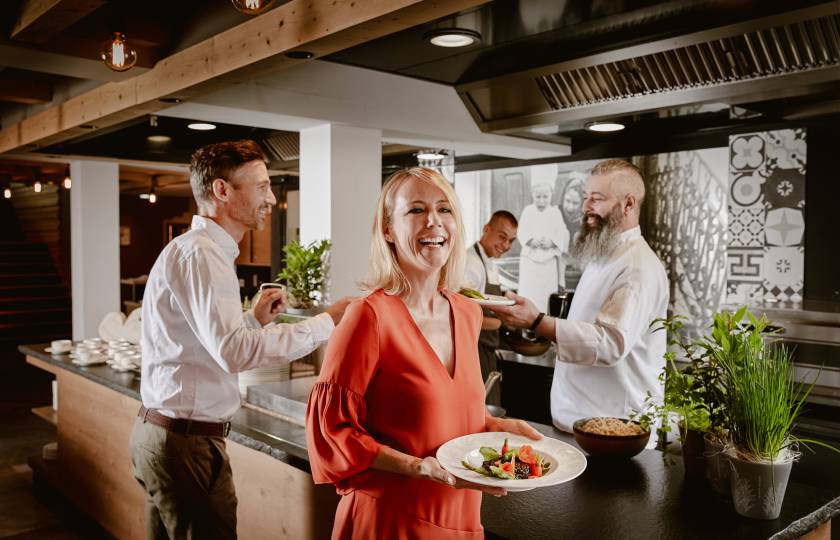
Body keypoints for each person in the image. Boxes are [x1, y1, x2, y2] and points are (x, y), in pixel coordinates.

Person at [130, 140, 353, 540]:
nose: (270, 197)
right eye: (262, 186)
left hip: (168, 436)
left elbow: (204, 345)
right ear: (222, 191)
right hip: (185, 444)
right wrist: (328, 321)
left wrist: (252, 319)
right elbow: (233, 353)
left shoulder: (195, 251)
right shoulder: (203, 254)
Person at [306, 167, 540, 539]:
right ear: (387, 229)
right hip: (390, 521)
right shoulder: (368, 317)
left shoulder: (468, 313)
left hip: (462, 521)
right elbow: (331, 432)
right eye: (415, 210)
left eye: (444, 209)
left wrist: (494, 427)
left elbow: (446, 415)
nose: (434, 221)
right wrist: (415, 467)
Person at [492, 159, 668, 437]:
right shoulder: (604, 256)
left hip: (617, 430)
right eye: (586, 197)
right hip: (581, 421)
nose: (585, 207)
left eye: (597, 199)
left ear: (629, 204)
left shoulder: (636, 267)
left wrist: (537, 321)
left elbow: (610, 342)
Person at [463, 210, 518, 406]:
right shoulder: (470, 262)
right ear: (486, 229)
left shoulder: (489, 262)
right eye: (502, 237)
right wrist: (501, 321)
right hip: (474, 351)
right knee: (483, 410)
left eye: (511, 241)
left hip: (487, 350)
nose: (506, 246)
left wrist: (508, 297)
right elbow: (461, 316)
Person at [517, 169, 570, 311]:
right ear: (532, 195)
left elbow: (561, 234)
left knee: (544, 295)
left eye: (545, 197)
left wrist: (552, 242)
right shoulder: (528, 211)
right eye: (538, 197)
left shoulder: (555, 213)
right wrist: (530, 240)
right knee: (529, 293)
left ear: (551, 195)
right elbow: (521, 231)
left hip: (548, 263)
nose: (541, 201)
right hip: (530, 262)